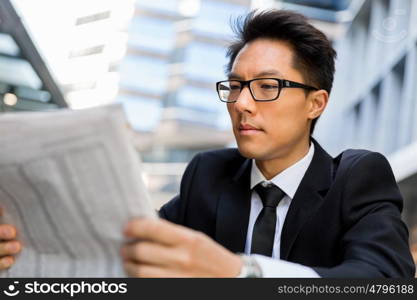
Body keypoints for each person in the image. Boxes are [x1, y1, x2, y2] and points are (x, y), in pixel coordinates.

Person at [1, 10, 415, 277]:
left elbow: (384, 280)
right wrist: (25, 244)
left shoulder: (356, 175)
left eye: (267, 86)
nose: (242, 103)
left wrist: (241, 274)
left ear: (315, 102)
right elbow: (125, 247)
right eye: (234, 87)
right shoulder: (208, 173)